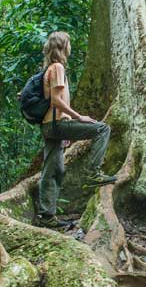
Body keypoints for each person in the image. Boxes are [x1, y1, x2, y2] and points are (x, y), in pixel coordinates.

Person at [36, 31, 115, 228]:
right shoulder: (57, 68)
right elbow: (56, 101)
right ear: (63, 46)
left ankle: (47, 217)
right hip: (57, 124)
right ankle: (93, 172)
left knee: (54, 169)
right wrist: (78, 117)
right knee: (102, 129)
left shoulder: (50, 68)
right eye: (68, 43)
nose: (70, 47)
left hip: (52, 126)